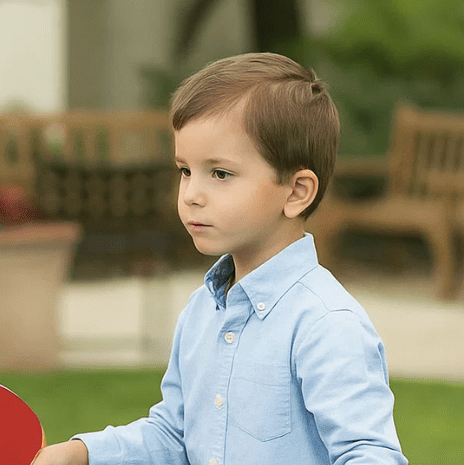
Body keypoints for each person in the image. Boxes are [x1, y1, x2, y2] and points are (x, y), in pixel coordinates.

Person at [33, 52, 407, 465]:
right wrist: (83, 453)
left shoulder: (327, 325)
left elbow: (370, 456)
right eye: (185, 170)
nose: (192, 193)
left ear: (297, 191)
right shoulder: (200, 313)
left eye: (220, 174)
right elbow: (174, 435)